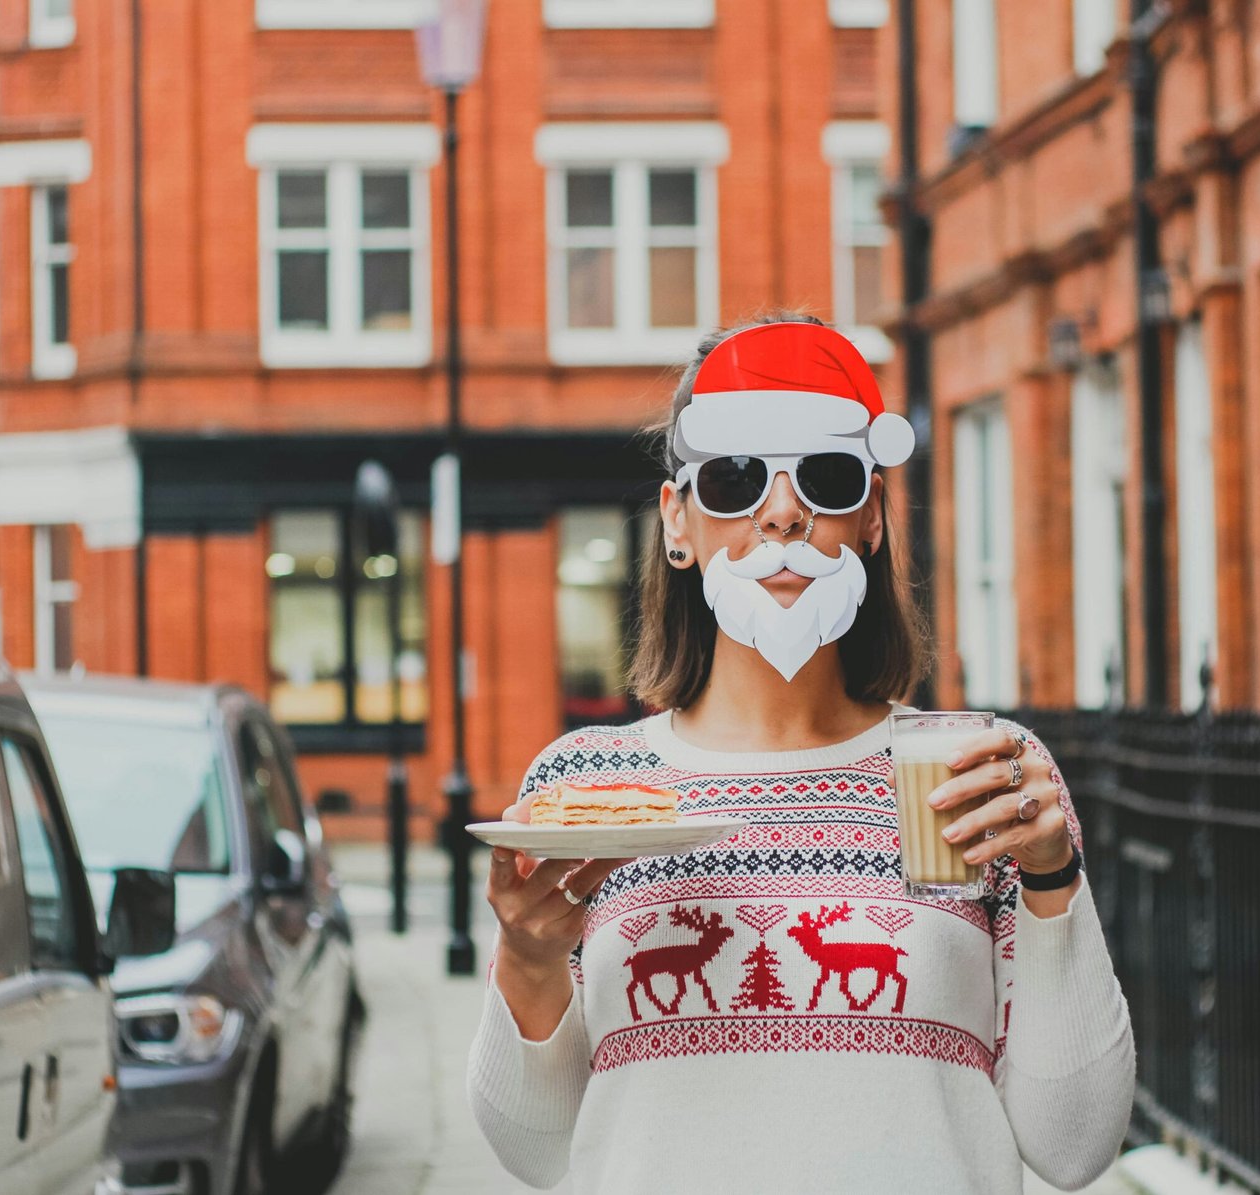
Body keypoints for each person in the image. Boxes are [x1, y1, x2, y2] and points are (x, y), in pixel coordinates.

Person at [468, 314, 1134, 1193]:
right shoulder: (590, 788)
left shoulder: (978, 777)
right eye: (737, 481)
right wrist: (525, 954)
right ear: (678, 522)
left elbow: (1075, 1142)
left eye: (825, 476)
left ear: (870, 521)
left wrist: (1053, 876)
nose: (783, 512)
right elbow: (537, 1148)